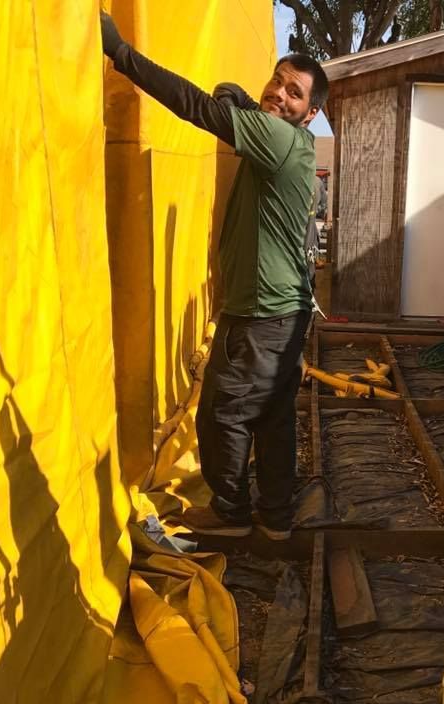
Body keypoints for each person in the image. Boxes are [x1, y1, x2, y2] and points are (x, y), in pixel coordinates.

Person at [100, 13, 328, 541]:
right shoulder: (293, 145)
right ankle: (274, 518)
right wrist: (247, 105)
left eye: (293, 93)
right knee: (273, 418)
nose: (278, 92)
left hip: (259, 317)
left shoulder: (280, 140)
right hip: (285, 315)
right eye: (276, 79)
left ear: (310, 113)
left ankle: (230, 514)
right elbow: (243, 114)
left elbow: (198, 106)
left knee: (223, 414)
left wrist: (120, 52)